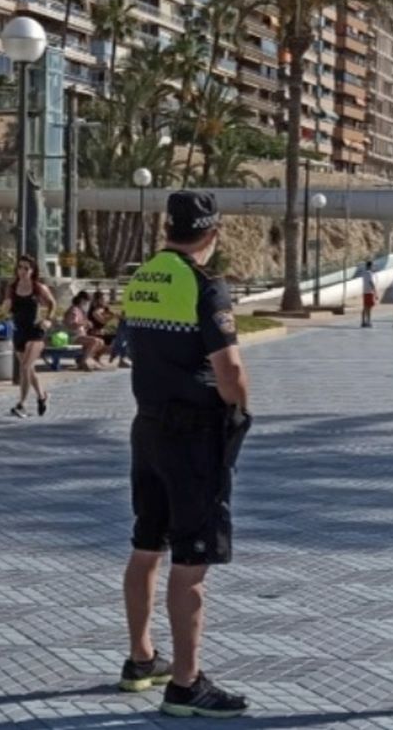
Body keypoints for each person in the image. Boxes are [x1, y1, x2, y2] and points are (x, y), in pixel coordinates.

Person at [119, 191, 253, 717]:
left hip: (147, 428)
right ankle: (186, 683)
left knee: (146, 545)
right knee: (192, 559)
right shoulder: (206, 286)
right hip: (193, 437)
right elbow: (231, 371)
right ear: (212, 232)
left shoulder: (142, 277)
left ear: (167, 228)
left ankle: (140, 659)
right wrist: (239, 414)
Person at [8, 256, 56, 418]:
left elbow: (52, 303)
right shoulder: (12, 287)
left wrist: (48, 319)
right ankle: (42, 396)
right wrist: (5, 308)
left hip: (35, 331)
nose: (22, 271)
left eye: (26, 268)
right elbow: (7, 306)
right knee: (29, 369)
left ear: (33, 270)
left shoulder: (38, 288)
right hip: (19, 330)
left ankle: (22, 404)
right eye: (20, 267)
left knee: (25, 367)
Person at [65, 291, 107, 370]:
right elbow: (71, 324)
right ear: (82, 300)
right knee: (94, 341)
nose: (88, 304)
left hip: (80, 335)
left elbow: (82, 324)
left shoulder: (81, 310)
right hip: (72, 336)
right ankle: (83, 361)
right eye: (87, 302)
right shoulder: (74, 310)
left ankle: (83, 359)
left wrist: (87, 325)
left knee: (101, 342)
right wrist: (84, 323)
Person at [360, 261, 378, 328]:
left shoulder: (363, 273)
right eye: (372, 266)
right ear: (370, 266)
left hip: (365, 292)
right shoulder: (370, 273)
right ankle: (368, 322)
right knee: (369, 308)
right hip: (369, 292)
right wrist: (375, 291)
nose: (373, 267)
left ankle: (363, 321)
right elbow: (371, 282)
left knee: (365, 307)